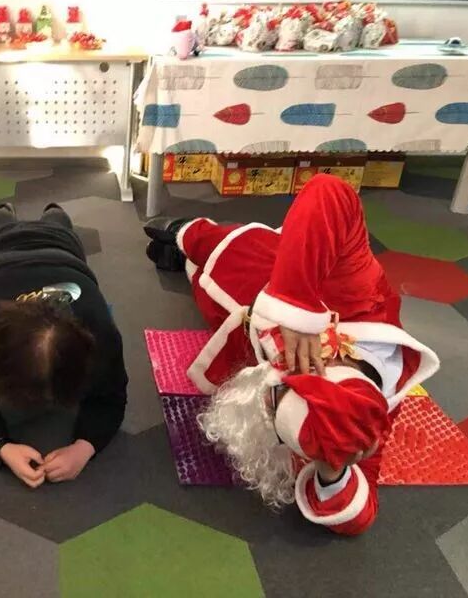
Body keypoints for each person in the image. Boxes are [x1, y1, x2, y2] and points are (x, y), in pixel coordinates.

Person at [144, 174, 439, 535]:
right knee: (212, 243)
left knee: (201, 290)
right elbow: (329, 191)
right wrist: (296, 305)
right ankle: (183, 231)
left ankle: (183, 261)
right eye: (275, 398)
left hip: (233, 333)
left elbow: (359, 519)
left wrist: (333, 469)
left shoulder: (361, 424)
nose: (264, 407)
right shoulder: (364, 295)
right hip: (261, 266)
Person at [0, 203, 128, 488]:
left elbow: (113, 396)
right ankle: (9, 211)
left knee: (55, 221)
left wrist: (85, 446)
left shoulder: (100, 331)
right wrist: (1, 446)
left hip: (62, 248)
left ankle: (48, 211)